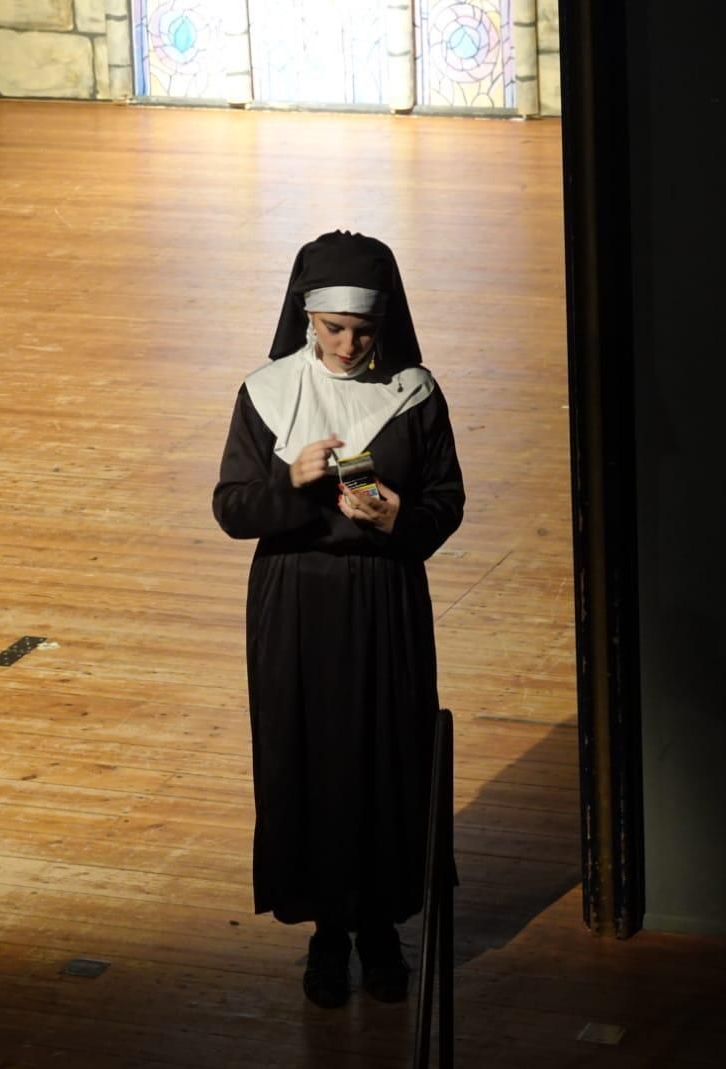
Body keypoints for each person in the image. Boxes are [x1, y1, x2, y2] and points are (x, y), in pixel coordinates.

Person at [212, 231, 465, 1008]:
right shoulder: (267, 392)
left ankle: (381, 928)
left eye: (363, 330)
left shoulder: (414, 393)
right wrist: (290, 483)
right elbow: (232, 508)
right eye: (334, 329)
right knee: (310, 756)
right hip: (296, 600)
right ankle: (327, 932)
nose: (350, 346)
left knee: (388, 754)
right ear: (306, 318)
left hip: (385, 596)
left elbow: (446, 501)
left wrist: (397, 520)